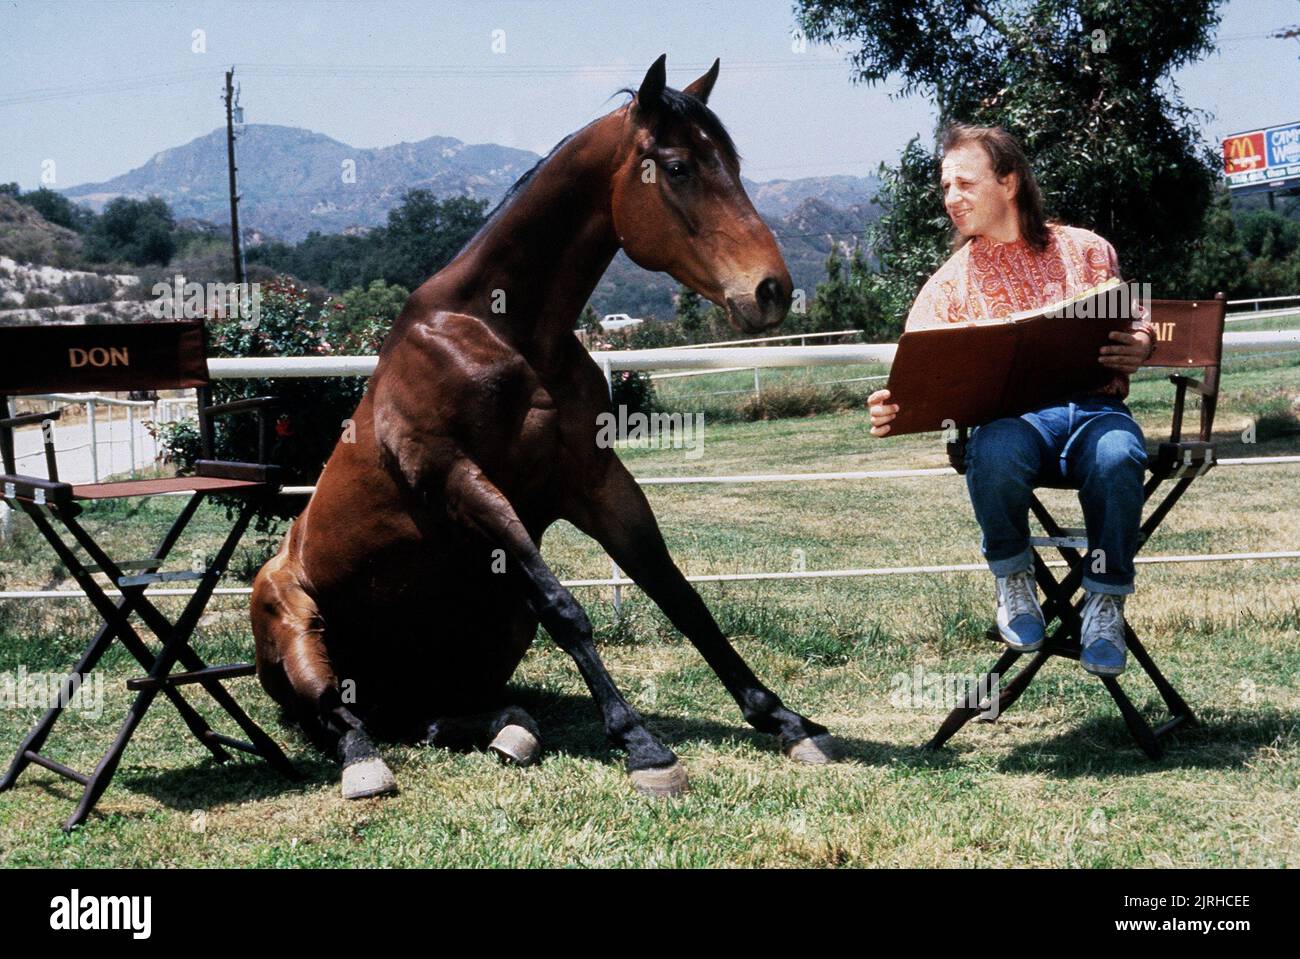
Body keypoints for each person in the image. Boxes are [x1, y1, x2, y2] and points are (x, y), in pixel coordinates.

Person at [868, 123, 1156, 676]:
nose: (952, 199)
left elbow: (1136, 318)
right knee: (995, 452)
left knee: (1120, 457)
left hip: (1095, 412)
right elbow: (918, 375)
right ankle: (1014, 579)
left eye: (965, 184)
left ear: (1009, 182)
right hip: (1012, 424)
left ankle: (1104, 599)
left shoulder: (1087, 250)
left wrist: (1138, 342)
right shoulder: (949, 284)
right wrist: (891, 406)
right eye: (945, 186)